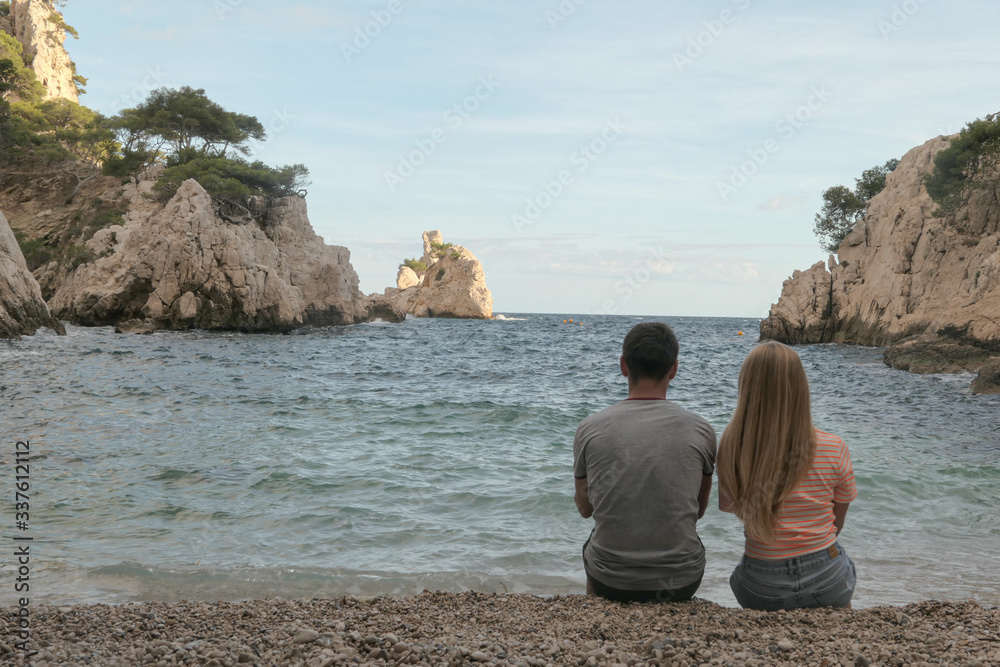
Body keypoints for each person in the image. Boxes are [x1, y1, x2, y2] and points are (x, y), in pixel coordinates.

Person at [573, 322, 717, 602]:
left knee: (594, 542)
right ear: (674, 369)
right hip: (682, 581)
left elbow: (585, 508)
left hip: (609, 582)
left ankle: (593, 607)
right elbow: (697, 511)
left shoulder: (589, 428)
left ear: (623, 366)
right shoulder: (701, 429)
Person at [717, 341, 858, 611]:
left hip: (759, 586)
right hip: (827, 579)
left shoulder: (731, 447)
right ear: (800, 387)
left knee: (743, 573)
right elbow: (836, 524)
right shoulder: (833, 446)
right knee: (838, 567)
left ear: (746, 388)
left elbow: (733, 508)